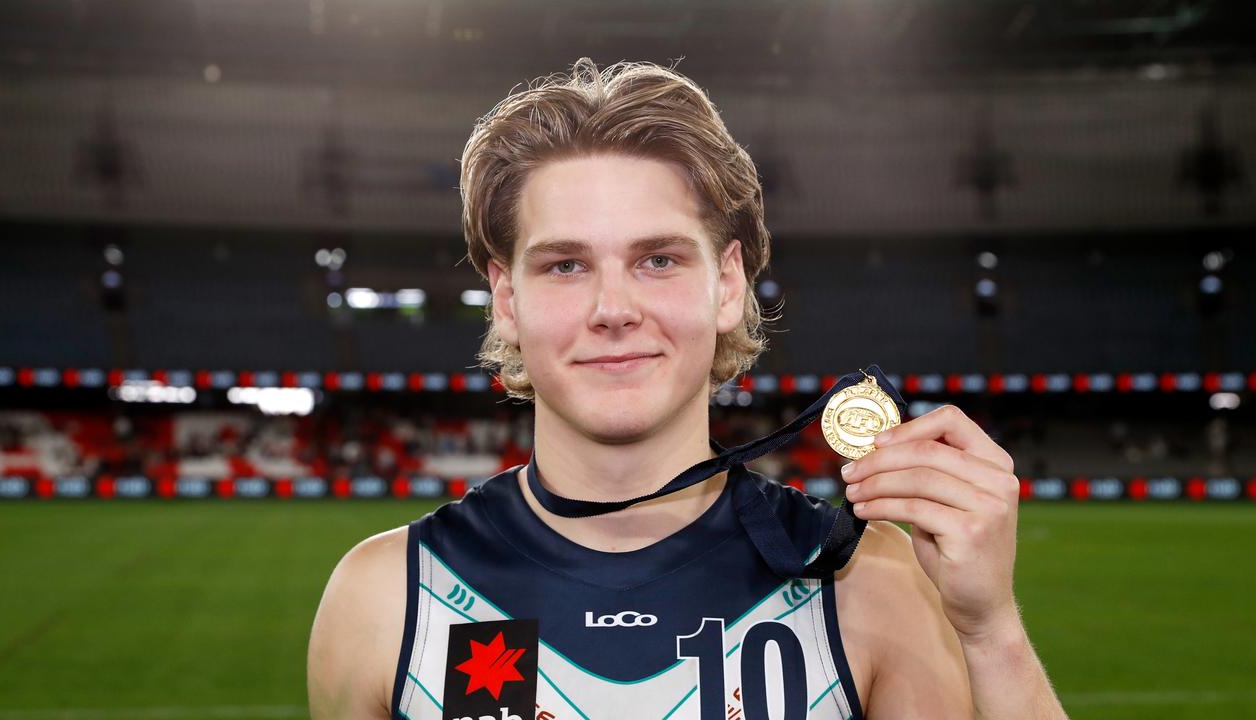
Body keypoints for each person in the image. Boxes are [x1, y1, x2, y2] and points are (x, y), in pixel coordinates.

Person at [308, 58, 1069, 720]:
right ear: (507, 299)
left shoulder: (869, 582)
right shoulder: (388, 599)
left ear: (728, 284)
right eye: (565, 265)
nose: (614, 311)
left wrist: (990, 633)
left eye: (660, 260)